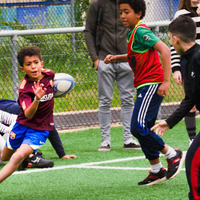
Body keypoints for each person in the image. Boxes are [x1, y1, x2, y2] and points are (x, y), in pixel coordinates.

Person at [104, 0, 185, 186]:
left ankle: (173, 154)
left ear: (138, 13)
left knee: (137, 128)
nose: (122, 15)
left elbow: (164, 50)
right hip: (144, 85)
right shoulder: (132, 32)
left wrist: (165, 81)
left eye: (127, 12)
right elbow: (137, 54)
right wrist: (117, 58)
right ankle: (156, 170)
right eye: (121, 12)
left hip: (151, 84)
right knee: (143, 130)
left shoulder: (141, 30)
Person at [151, 15, 200, 200]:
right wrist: (168, 123)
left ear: (174, 39)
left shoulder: (198, 57)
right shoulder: (187, 61)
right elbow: (190, 100)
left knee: (193, 161)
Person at [84, 0, 140, 151]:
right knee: (104, 101)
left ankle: (129, 139)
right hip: (104, 60)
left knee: (128, 99)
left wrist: (134, 55)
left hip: (127, 58)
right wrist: (95, 59)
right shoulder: (97, 4)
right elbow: (88, 31)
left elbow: (137, 28)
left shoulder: (130, 3)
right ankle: (105, 141)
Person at [0, 46, 58, 183]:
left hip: (40, 129)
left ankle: (24, 157)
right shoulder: (25, 89)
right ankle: (24, 158)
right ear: (22, 69)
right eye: (28, 64)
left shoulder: (49, 74)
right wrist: (37, 99)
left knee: (16, 157)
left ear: (41, 64)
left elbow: (54, 85)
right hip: (21, 125)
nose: (33, 67)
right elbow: (28, 114)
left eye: (36, 63)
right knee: (5, 156)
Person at [0, 98, 77, 169]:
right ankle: (26, 158)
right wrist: (10, 130)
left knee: (20, 124)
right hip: (3, 152)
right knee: (18, 129)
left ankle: (27, 157)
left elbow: (13, 119)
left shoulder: (40, 109)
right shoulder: (21, 108)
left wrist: (62, 154)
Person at [171, 0, 200, 145]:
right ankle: (192, 139)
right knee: (191, 100)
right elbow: (176, 41)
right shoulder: (181, 14)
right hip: (188, 61)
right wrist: (176, 68)